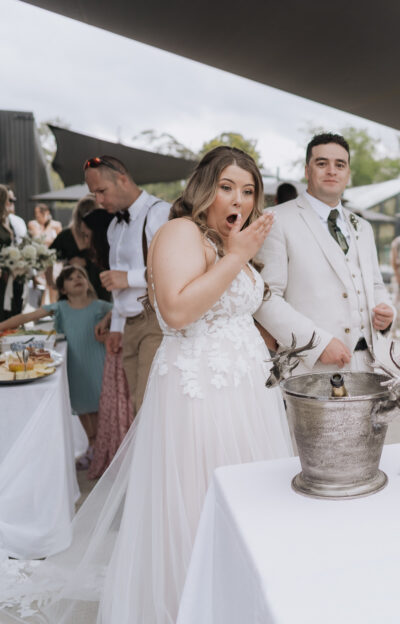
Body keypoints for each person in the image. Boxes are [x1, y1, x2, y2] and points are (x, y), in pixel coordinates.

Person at [0, 146, 294, 622]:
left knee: (253, 508)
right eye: (226, 187)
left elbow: (247, 307)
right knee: (202, 509)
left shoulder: (229, 241)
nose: (238, 199)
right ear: (204, 189)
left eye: (248, 190)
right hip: (202, 394)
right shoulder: (182, 232)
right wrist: (238, 257)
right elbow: (177, 312)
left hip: (247, 395)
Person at [255, 132, 394, 372]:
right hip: (312, 368)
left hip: (371, 365)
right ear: (307, 171)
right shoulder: (276, 220)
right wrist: (317, 343)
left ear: (348, 173)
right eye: (322, 163)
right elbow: (266, 298)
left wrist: (386, 311)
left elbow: (375, 284)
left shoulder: (364, 227)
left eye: (340, 164)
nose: (332, 170)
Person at [0, 265, 110, 467]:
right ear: (63, 289)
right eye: (70, 278)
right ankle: (92, 446)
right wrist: (2, 326)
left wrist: (106, 321)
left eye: (81, 276)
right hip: (75, 367)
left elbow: (119, 313)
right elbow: (26, 318)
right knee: (83, 408)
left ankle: (103, 450)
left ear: (88, 283)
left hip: (97, 363)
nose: (77, 278)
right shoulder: (60, 307)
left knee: (99, 406)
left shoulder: (101, 306)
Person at [85, 155, 171, 412]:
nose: (99, 200)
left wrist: (129, 277)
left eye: (102, 191)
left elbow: (176, 269)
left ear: (122, 180)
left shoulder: (159, 213)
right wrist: (118, 326)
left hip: (157, 321)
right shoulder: (114, 226)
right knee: (136, 405)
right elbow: (117, 286)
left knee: (149, 405)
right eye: (94, 194)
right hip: (130, 325)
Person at [49, 195, 110, 301]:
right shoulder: (66, 236)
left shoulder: (104, 235)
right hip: (73, 288)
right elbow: (47, 257)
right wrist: (51, 282)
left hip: (99, 285)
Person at [1, 185, 27, 320]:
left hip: (12, 276)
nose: (9, 204)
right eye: (7, 200)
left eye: (11, 200)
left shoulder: (14, 222)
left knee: (13, 312)